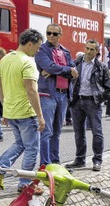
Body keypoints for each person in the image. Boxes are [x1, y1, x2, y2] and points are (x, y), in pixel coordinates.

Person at [0, 29, 45, 195]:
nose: (38, 50)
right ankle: (25, 184)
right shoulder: (27, 62)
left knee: (20, 144)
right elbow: (31, 91)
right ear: (29, 44)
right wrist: (40, 116)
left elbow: (0, 87)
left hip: (11, 111)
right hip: (26, 112)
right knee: (32, 149)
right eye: (38, 46)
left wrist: (5, 110)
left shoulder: (5, 60)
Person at [34, 23, 77, 165]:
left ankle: (55, 161)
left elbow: (74, 71)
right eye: (48, 33)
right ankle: (45, 164)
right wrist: (67, 70)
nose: (51, 36)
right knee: (46, 131)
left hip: (63, 95)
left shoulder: (65, 51)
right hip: (48, 94)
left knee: (57, 132)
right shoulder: (41, 50)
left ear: (60, 35)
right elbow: (49, 66)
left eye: (54, 33)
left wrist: (62, 70)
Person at [65, 39, 110, 172]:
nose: (89, 51)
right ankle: (80, 159)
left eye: (92, 49)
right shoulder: (76, 63)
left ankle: (97, 160)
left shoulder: (101, 66)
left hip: (92, 102)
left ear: (97, 51)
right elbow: (67, 77)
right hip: (77, 101)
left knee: (97, 132)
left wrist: (98, 98)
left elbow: (108, 88)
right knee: (79, 132)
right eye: (87, 48)